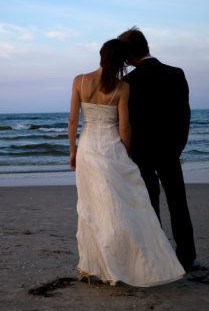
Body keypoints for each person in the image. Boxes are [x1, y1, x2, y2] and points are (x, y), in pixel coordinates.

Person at [68, 39, 185, 287]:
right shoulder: (122, 87)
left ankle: (93, 265)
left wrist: (73, 152)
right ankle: (126, 261)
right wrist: (126, 153)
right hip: (113, 150)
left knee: (90, 208)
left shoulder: (79, 81)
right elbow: (124, 126)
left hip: (88, 149)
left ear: (100, 55)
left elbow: (72, 121)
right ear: (121, 62)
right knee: (122, 206)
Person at [117, 26, 198, 271]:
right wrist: (177, 148)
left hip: (140, 154)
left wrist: (128, 152)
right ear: (146, 47)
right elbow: (184, 116)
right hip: (170, 150)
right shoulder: (175, 73)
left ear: (128, 55)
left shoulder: (128, 82)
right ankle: (186, 257)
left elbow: (125, 123)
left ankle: (158, 255)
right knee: (178, 203)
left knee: (150, 205)